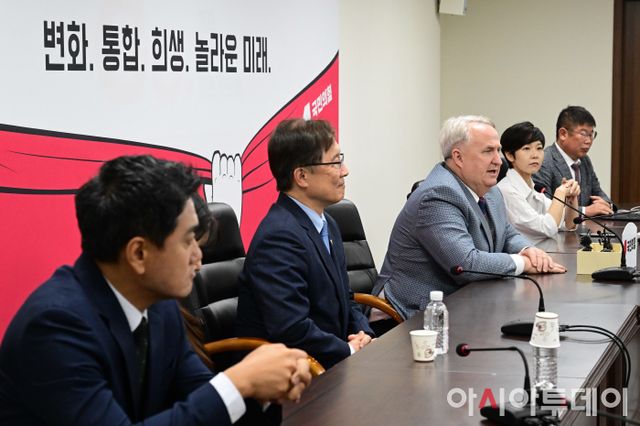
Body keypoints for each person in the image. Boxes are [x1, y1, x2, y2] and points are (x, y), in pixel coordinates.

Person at [0, 155, 311, 425]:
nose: (198, 257)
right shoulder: (55, 326)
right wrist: (239, 382)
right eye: (188, 241)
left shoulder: (159, 305)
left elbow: (199, 398)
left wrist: (265, 388)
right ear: (138, 253)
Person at [371, 115, 566, 320]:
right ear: (458, 157)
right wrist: (523, 263)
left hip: (463, 304)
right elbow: (466, 264)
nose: (498, 160)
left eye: (498, 150)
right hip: (409, 315)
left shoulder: (490, 190)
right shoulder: (438, 195)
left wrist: (528, 250)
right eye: (488, 151)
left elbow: (506, 232)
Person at [235, 119, 374, 369]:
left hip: (330, 361)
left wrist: (363, 334)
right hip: (295, 373)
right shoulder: (279, 237)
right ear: (301, 176)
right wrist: (348, 350)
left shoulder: (328, 224)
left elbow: (347, 299)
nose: (345, 171)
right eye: (335, 162)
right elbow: (291, 328)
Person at [497, 121, 581, 244]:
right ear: (510, 155)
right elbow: (547, 228)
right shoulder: (507, 190)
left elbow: (568, 224)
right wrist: (560, 193)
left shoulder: (533, 188)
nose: (535, 155)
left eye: (539, 148)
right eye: (526, 149)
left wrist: (571, 198)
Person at [533, 106, 614, 216]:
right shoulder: (545, 161)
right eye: (584, 134)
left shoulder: (585, 160)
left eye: (591, 134)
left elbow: (598, 193)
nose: (589, 141)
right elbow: (543, 206)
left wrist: (608, 205)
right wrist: (585, 211)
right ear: (563, 134)